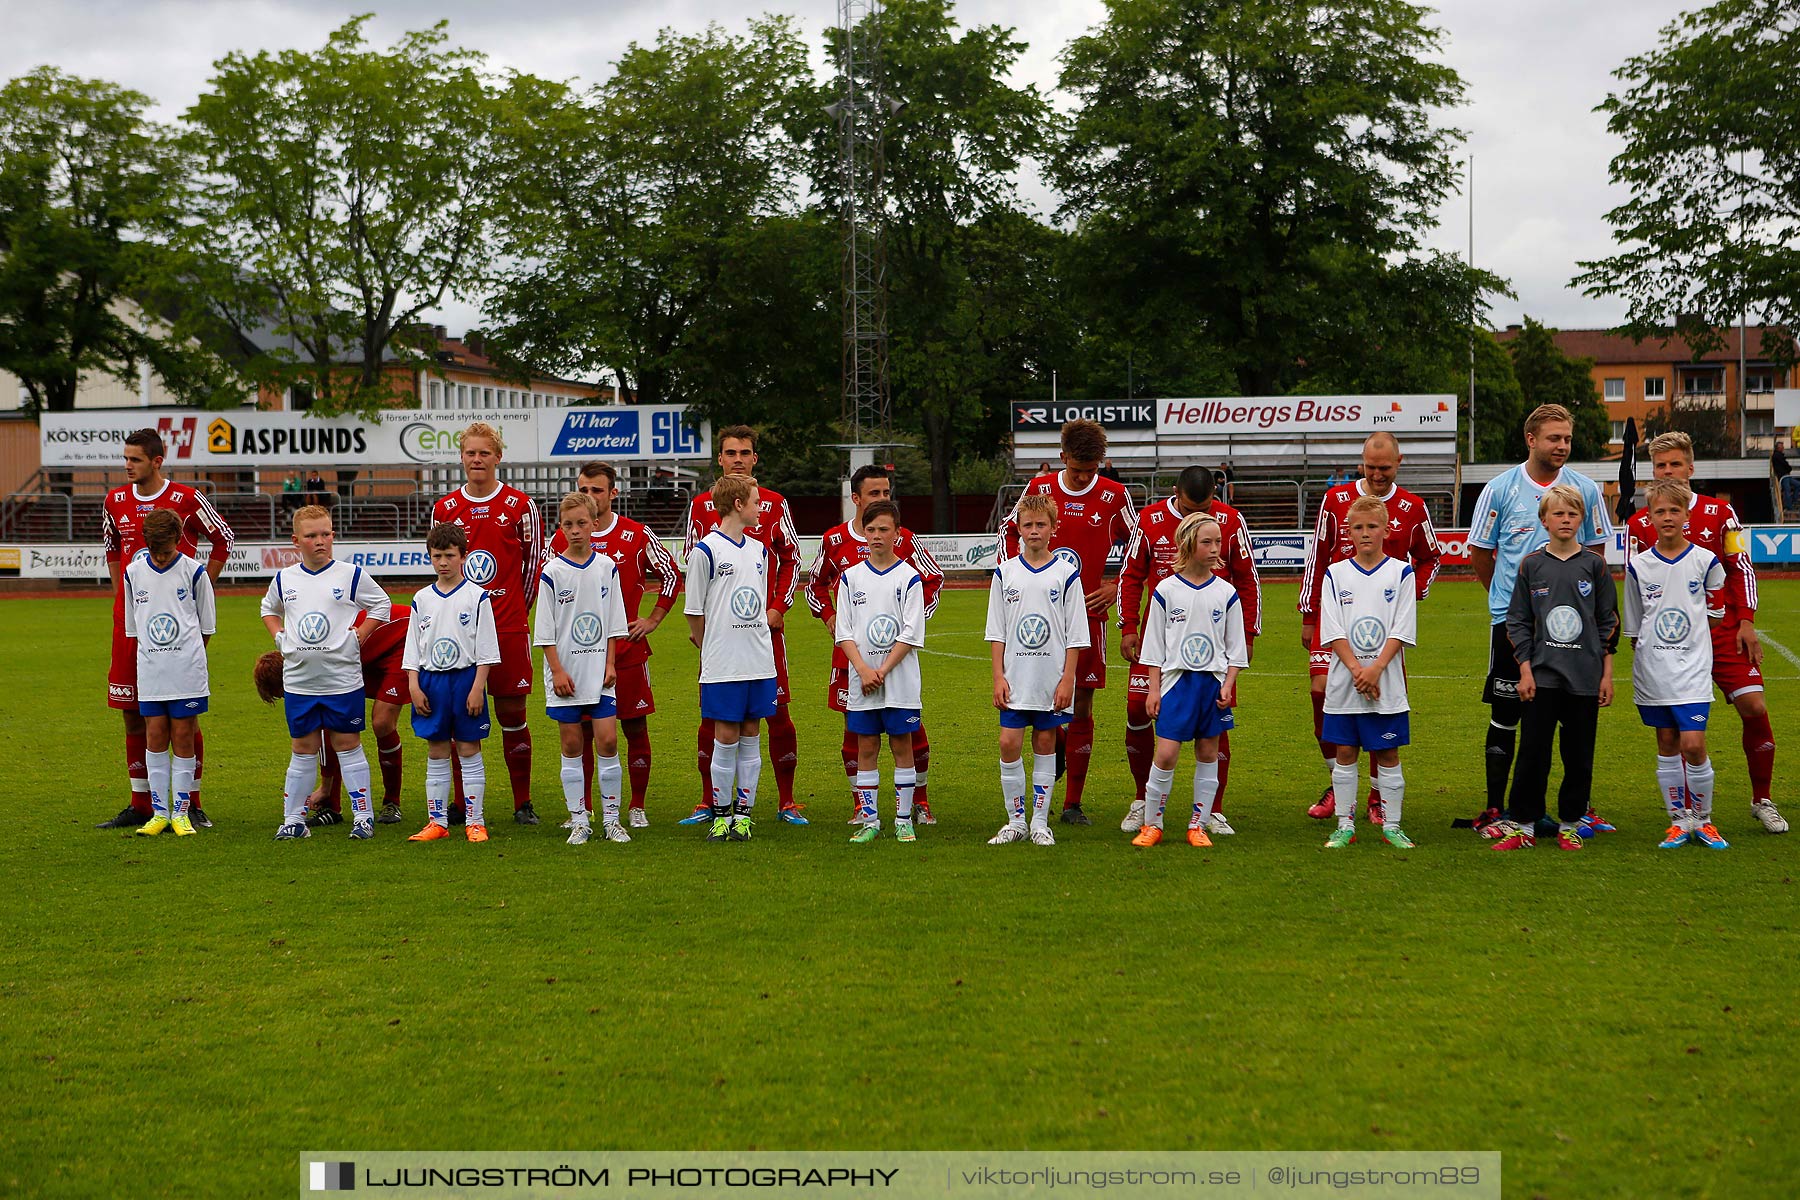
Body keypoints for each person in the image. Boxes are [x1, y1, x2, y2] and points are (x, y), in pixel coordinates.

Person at [1628, 433, 1786, 833]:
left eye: (1675, 464)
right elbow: (1636, 588)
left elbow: (1741, 566)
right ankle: (1686, 816)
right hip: (1673, 640)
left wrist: (1747, 621)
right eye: (1661, 466)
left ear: (1691, 468)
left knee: (1754, 707)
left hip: (1725, 631)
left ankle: (1762, 799)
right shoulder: (1639, 523)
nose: (1669, 471)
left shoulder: (1722, 513)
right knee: (1677, 730)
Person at [1467, 404, 1613, 834]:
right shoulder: (1499, 489)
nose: (1562, 446)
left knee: (1574, 715)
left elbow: (1598, 555)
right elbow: (1480, 555)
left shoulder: (1585, 490)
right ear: (1531, 439)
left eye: (1567, 438)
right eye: (1554, 438)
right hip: (1515, 627)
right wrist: (1513, 608)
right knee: (1508, 710)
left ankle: (1576, 809)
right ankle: (1499, 808)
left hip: (1570, 630)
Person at [998, 419, 1137, 825]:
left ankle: (1072, 802)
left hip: (1087, 616)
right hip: (1038, 619)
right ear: (1062, 458)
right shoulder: (1040, 490)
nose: (1082, 477)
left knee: (1082, 703)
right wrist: (1017, 581)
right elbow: (1008, 533)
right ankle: (1054, 748)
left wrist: (1115, 584)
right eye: (1076, 469)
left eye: (1091, 470)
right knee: (1040, 698)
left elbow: (1139, 544)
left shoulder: (1115, 496)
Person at [1297, 431, 1440, 824]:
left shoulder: (1412, 507)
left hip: (1384, 629)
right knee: (1320, 690)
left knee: (1379, 702)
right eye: (1370, 466)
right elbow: (1318, 554)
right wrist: (1310, 614)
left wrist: (1413, 593)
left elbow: (1431, 558)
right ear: (1362, 462)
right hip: (1336, 619)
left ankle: (1377, 794)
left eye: (1385, 467)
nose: (1377, 474)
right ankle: (1336, 780)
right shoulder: (1335, 499)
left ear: (1399, 463)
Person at [97, 428, 234, 830]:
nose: (127, 466)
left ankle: (190, 803)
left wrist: (201, 583)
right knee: (131, 712)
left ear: (156, 461)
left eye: (135, 460)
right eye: (125, 459)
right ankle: (142, 803)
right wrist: (122, 595)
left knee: (183, 717)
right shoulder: (114, 500)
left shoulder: (186, 499)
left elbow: (223, 537)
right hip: (130, 625)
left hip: (177, 632)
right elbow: (110, 548)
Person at [1118, 464, 1260, 836]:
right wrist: (1129, 624)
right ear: (1176, 494)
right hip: (1164, 641)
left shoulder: (1230, 521)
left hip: (1213, 645)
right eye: (1190, 506)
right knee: (1138, 707)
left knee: (1215, 716)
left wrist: (1246, 635)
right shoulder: (1149, 519)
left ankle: (1212, 810)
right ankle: (1141, 800)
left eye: (1207, 504)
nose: (1200, 514)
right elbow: (1131, 574)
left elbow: (1247, 578)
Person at [681, 426, 806, 826]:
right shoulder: (702, 507)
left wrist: (777, 607)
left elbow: (792, 558)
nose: (738, 458)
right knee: (716, 720)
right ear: (720, 459)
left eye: (745, 452)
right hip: (722, 643)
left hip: (763, 637)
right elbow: (692, 568)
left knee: (776, 713)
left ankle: (784, 801)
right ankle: (711, 803)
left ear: (755, 458)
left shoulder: (773, 504)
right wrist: (706, 639)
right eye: (730, 452)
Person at [806, 464, 943, 825]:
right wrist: (831, 618)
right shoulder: (834, 540)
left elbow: (933, 579)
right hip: (851, 657)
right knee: (857, 733)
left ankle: (920, 802)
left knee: (910, 731)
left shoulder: (905, 538)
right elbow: (815, 585)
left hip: (894, 656)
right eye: (875, 494)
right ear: (856, 498)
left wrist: (912, 622)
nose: (883, 499)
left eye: (886, 493)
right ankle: (861, 807)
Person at [548, 462, 681, 827]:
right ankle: (586, 808)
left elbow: (671, 575)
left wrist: (652, 619)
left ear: (612, 494)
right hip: (580, 655)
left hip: (627, 653)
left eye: (596, 491)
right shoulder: (562, 541)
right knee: (585, 729)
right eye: (583, 489)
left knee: (634, 726)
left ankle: (635, 806)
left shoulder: (636, 534)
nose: (589, 497)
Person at [1490, 485, 1619, 852]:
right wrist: (1526, 670)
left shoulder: (1593, 565)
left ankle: (1570, 824)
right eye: (1558, 514)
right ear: (1544, 520)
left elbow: (1608, 621)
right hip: (1542, 675)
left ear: (1581, 519)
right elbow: (1518, 621)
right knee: (1533, 752)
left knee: (1578, 755)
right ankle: (1524, 827)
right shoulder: (1532, 565)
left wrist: (1606, 674)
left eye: (1572, 514)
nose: (1565, 520)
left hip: (1584, 676)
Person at [432, 422, 545, 825]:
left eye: (484, 453)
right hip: (460, 630)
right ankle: (461, 804)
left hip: (508, 625)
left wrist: (518, 610)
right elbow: (441, 565)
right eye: (470, 453)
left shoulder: (519, 505)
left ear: (498, 457)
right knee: (459, 716)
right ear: (461, 458)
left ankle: (523, 802)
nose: (477, 460)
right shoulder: (445, 508)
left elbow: (533, 567)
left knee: (513, 714)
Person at [261, 505, 391, 840]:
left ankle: (363, 816)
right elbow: (268, 608)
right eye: (312, 536)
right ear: (296, 541)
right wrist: (279, 636)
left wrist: (360, 635)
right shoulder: (284, 578)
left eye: (326, 534)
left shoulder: (350, 575)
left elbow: (382, 604)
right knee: (302, 747)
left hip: (341, 678)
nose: (321, 541)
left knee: (347, 743)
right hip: (300, 680)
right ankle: (294, 820)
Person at [1623, 479, 1730, 850]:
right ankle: (1679, 821)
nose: (1667, 517)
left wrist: (1689, 644)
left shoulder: (1705, 560)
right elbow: (1635, 628)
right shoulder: (1639, 566)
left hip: (1693, 670)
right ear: (1649, 517)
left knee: (1694, 745)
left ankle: (1703, 819)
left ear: (1687, 514)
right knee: (1667, 743)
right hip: (1653, 671)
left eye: (1674, 510)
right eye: (1660, 511)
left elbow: (1715, 614)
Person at [1130, 513, 1247, 848]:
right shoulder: (1166, 590)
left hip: (1211, 685)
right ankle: (1152, 825)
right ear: (1187, 544)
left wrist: (1228, 682)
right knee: (1165, 754)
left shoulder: (1226, 593)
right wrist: (1153, 689)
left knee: (1208, 751)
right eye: (1206, 542)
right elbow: (1152, 647)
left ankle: (1198, 824)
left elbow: (1235, 647)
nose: (1214, 549)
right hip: (1175, 686)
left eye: (1218, 542)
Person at [986, 494, 1090, 847]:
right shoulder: (1005, 573)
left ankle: (1039, 822)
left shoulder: (1066, 574)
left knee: (1045, 743)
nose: (1034, 530)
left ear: (1053, 529)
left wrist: (1068, 680)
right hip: (1016, 677)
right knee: (1008, 742)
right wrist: (998, 676)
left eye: (1041, 524)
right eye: (1028, 524)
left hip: (1051, 677)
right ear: (1018, 528)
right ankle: (1015, 819)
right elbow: (996, 632)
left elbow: (1076, 634)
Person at [1319, 496, 1420, 849]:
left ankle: (1392, 825)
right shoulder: (1336, 574)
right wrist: (1357, 670)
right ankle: (1345, 825)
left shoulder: (1401, 572)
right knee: (1345, 753)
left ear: (1386, 530)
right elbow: (1331, 630)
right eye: (1358, 527)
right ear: (1348, 532)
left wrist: (1375, 669)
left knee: (1389, 755)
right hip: (1346, 683)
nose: (1365, 533)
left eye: (1372, 526)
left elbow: (1403, 628)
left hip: (1386, 683)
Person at [256, 605, 413, 827]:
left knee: (382, 722)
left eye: (283, 693)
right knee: (330, 719)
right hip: (364, 655)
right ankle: (332, 806)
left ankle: (391, 802)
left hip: (401, 640)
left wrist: (325, 787)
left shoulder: (317, 661)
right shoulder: (302, 654)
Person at [685, 474, 779, 843]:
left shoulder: (759, 551)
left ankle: (744, 815)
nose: (760, 509)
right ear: (738, 505)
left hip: (758, 659)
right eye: (755, 502)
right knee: (725, 736)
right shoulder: (705, 551)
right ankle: (720, 815)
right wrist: (710, 647)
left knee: (752, 733)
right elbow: (694, 611)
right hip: (723, 662)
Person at [538, 494, 630, 846]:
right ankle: (579, 819)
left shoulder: (607, 567)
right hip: (566, 674)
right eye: (567, 525)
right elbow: (545, 632)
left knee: (607, 740)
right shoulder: (552, 572)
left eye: (581, 523)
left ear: (594, 523)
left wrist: (609, 663)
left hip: (599, 671)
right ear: (560, 527)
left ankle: (611, 820)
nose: (574, 531)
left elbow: (613, 622)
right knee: (572, 743)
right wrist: (558, 671)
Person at [834, 501, 927, 844]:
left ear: (897, 534)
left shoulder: (908, 578)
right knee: (867, 749)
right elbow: (843, 631)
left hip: (898, 682)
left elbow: (911, 632)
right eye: (870, 530)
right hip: (863, 682)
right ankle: (870, 820)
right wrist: (862, 669)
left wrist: (882, 670)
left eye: (883, 530)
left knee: (902, 746)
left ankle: (904, 819)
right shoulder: (850, 578)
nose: (876, 536)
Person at [403, 523, 500, 844]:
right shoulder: (421, 598)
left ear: (464, 557)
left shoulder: (477, 597)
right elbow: (413, 648)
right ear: (429, 558)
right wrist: (414, 686)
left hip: (465, 680)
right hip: (431, 682)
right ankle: (437, 821)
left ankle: (475, 821)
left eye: (449, 555)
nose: (443, 562)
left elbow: (487, 649)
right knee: (437, 750)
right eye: (436, 556)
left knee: (470, 748)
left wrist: (477, 687)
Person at [122, 509, 216, 838]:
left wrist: (185, 655)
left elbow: (206, 627)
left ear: (179, 541)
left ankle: (181, 812)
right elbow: (134, 630)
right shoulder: (133, 573)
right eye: (155, 552)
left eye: (167, 551)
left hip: (186, 671)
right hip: (151, 673)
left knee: (184, 737)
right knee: (155, 736)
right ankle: (160, 813)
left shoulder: (194, 572)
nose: (161, 559)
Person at [1772, 440, 1796, 514]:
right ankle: (1789, 506)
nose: (1783, 448)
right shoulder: (1777, 456)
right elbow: (1785, 465)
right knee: (1787, 491)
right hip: (1783, 476)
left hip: (1786, 476)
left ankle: (1792, 501)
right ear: (1778, 448)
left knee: (1797, 485)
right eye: (1782, 447)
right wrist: (1788, 468)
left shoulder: (1779, 455)